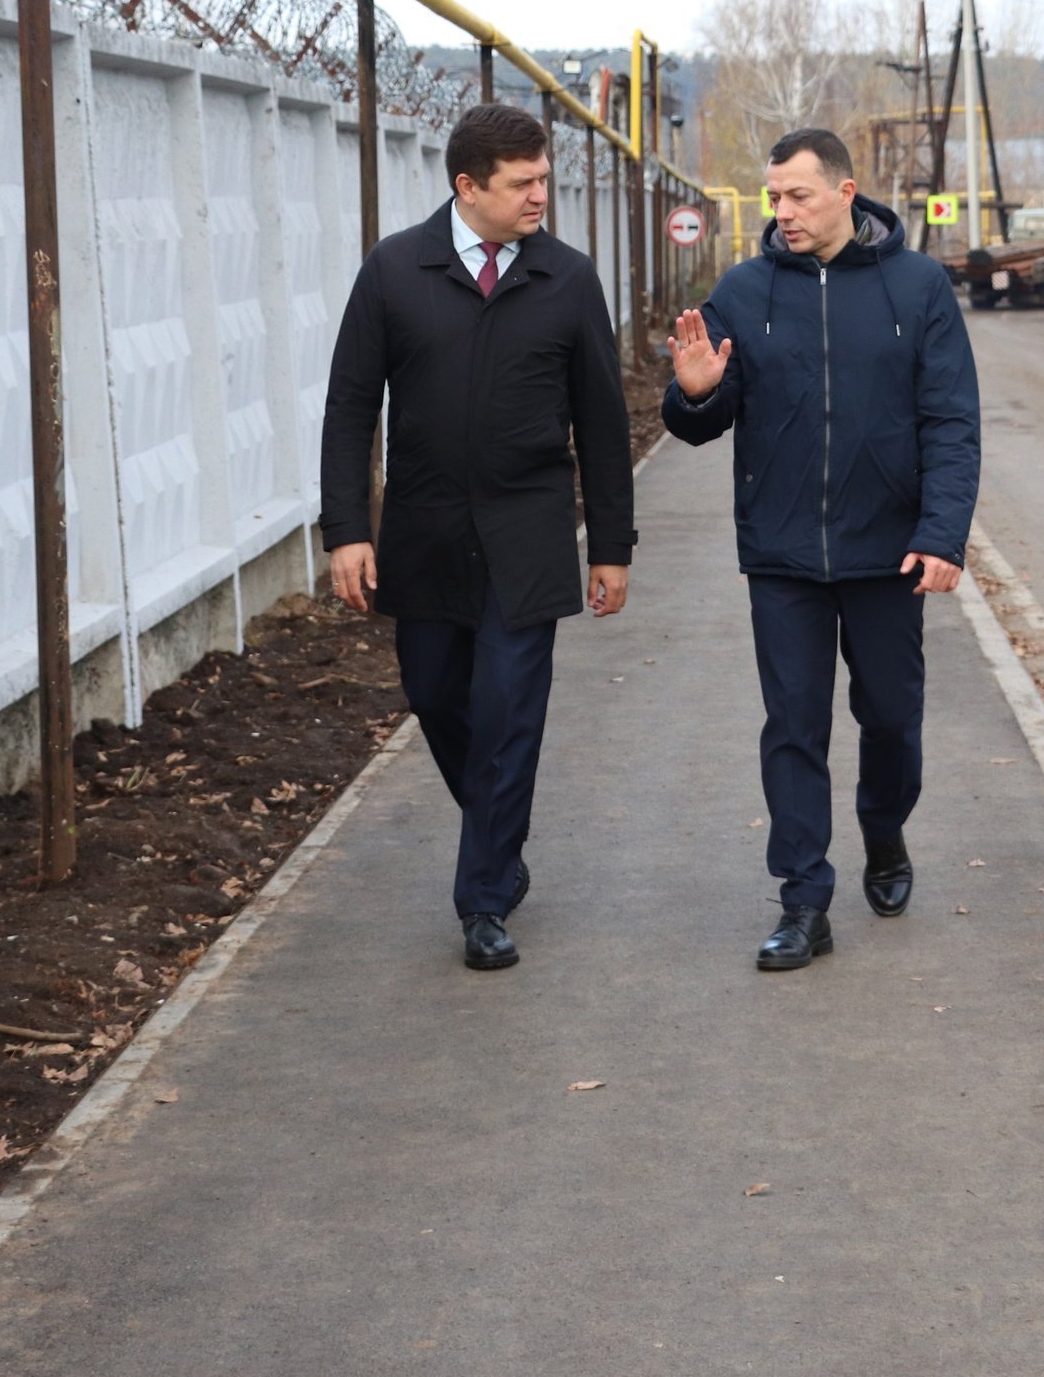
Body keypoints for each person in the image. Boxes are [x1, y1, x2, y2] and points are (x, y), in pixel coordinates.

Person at [319, 102, 634, 972]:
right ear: (468, 186)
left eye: (543, 178)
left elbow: (602, 423)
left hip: (527, 533)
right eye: (523, 183)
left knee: (507, 713)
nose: (541, 195)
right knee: (435, 693)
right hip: (423, 533)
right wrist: (347, 530)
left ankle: (484, 899)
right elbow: (350, 407)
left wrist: (612, 545)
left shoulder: (567, 278)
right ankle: (499, 837)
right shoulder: (396, 270)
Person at [662, 128, 981, 971]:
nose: (783, 211)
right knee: (793, 727)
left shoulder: (918, 287)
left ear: (846, 192)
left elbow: (952, 421)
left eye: (798, 194)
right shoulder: (745, 288)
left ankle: (884, 828)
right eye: (773, 197)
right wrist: (692, 396)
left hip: (890, 554)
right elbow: (705, 411)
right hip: (783, 554)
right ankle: (804, 900)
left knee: (891, 719)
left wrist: (942, 534)